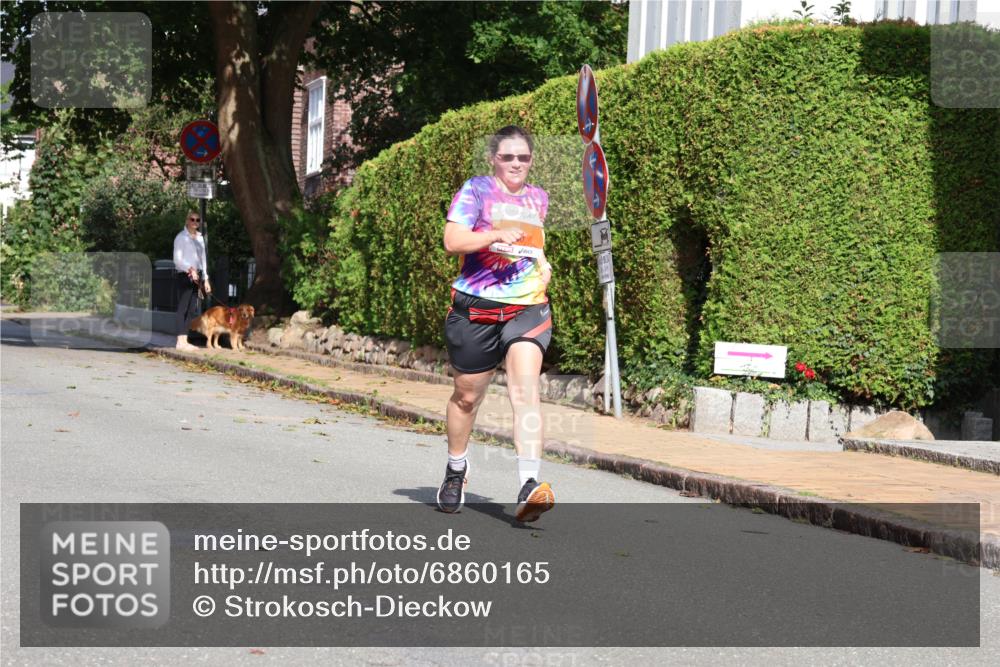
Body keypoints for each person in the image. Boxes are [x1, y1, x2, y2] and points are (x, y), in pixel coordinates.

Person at [438, 125, 555, 522]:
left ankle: (529, 484)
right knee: (467, 397)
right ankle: (457, 468)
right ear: (494, 159)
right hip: (477, 306)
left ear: (531, 160)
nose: (516, 164)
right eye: (508, 157)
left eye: (523, 157)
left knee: (525, 391)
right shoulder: (475, 190)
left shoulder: (539, 198)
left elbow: (531, 247)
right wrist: (492, 235)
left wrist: (544, 265)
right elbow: (453, 241)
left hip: (527, 306)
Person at [173, 210, 211, 351]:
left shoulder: (200, 238)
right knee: (182, 308)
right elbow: (177, 260)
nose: (195, 222)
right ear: (187, 220)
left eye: (197, 220)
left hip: (198, 276)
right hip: (185, 275)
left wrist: (205, 278)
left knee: (191, 309)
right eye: (192, 219)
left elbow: (203, 260)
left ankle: (185, 339)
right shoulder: (181, 238)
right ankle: (179, 341)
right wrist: (189, 269)